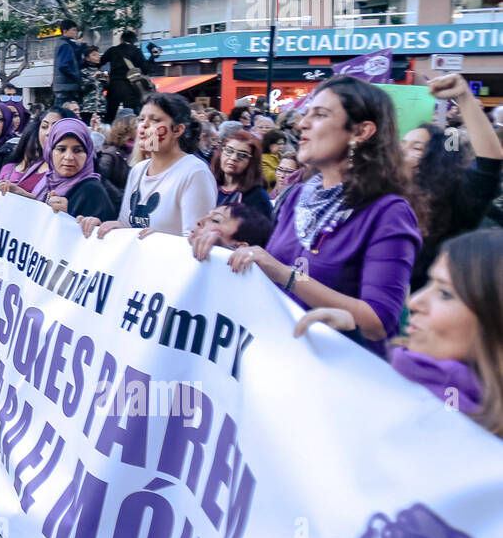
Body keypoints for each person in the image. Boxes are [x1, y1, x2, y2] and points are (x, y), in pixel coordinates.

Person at [224, 76, 420, 357]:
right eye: (306, 113)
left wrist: (287, 276)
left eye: (320, 114)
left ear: (361, 131)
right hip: (277, 363)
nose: (303, 123)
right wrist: (224, 249)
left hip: (339, 378)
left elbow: (378, 322)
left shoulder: (388, 212)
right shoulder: (295, 196)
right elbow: (266, 268)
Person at [295, 230, 503, 439]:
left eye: (445, 293)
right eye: (429, 285)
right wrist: (349, 340)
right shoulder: (415, 382)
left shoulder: (464, 443)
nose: (414, 302)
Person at [402, 73, 503, 292]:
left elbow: (489, 161)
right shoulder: (378, 197)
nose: (402, 152)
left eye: (416, 148)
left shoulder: (453, 198)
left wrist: (464, 98)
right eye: (402, 144)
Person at [79, 93, 217, 239]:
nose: (144, 125)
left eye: (155, 120)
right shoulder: (138, 170)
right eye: (141, 119)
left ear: (177, 130)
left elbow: (197, 241)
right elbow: (126, 225)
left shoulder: (195, 173)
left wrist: (159, 240)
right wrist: (102, 227)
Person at [0, 117, 115, 221]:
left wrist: (69, 215)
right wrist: (22, 195)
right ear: (50, 152)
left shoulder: (92, 192)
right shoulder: (51, 182)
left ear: (88, 154)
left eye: (77, 150)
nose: (69, 157)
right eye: (61, 149)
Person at [210, 129, 272, 221]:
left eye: (242, 155)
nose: (233, 158)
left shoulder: (257, 196)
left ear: (252, 162)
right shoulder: (209, 184)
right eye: (229, 151)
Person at [0, 109, 64, 194]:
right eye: (44, 126)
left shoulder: (61, 170)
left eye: (77, 150)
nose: (48, 132)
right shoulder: (36, 166)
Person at [102, 30, 157, 123]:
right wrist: (152, 57)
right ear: (134, 41)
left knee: (110, 115)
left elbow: (100, 62)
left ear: (121, 39)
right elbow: (146, 69)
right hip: (130, 87)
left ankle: (107, 133)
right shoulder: (136, 51)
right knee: (130, 115)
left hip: (114, 86)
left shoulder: (112, 50)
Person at [96, 115, 135, 198]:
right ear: (127, 130)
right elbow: (101, 177)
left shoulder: (132, 151)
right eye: (136, 127)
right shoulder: (111, 154)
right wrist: (122, 196)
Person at [52, 23, 84, 109]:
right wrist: (76, 76)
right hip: (66, 88)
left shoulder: (65, 44)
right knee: (65, 115)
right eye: (73, 30)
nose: (76, 33)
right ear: (65, 31)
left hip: (64, 87)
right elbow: (64, 66)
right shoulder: (65, 45)